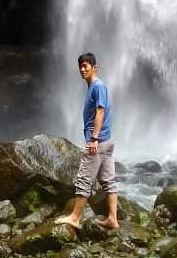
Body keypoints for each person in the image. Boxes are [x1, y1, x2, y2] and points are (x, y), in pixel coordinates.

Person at [55, 52, 119, 229]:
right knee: (108, 180)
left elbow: (100, 112)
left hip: (98, 142)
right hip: (107, 141)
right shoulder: (94, 86)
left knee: (84, 179)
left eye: (86, 66)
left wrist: (93, 139)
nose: (82, 69)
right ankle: (113, 219)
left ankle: (75, 217)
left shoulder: (97, 86)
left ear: (94, 68)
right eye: (80, 66)